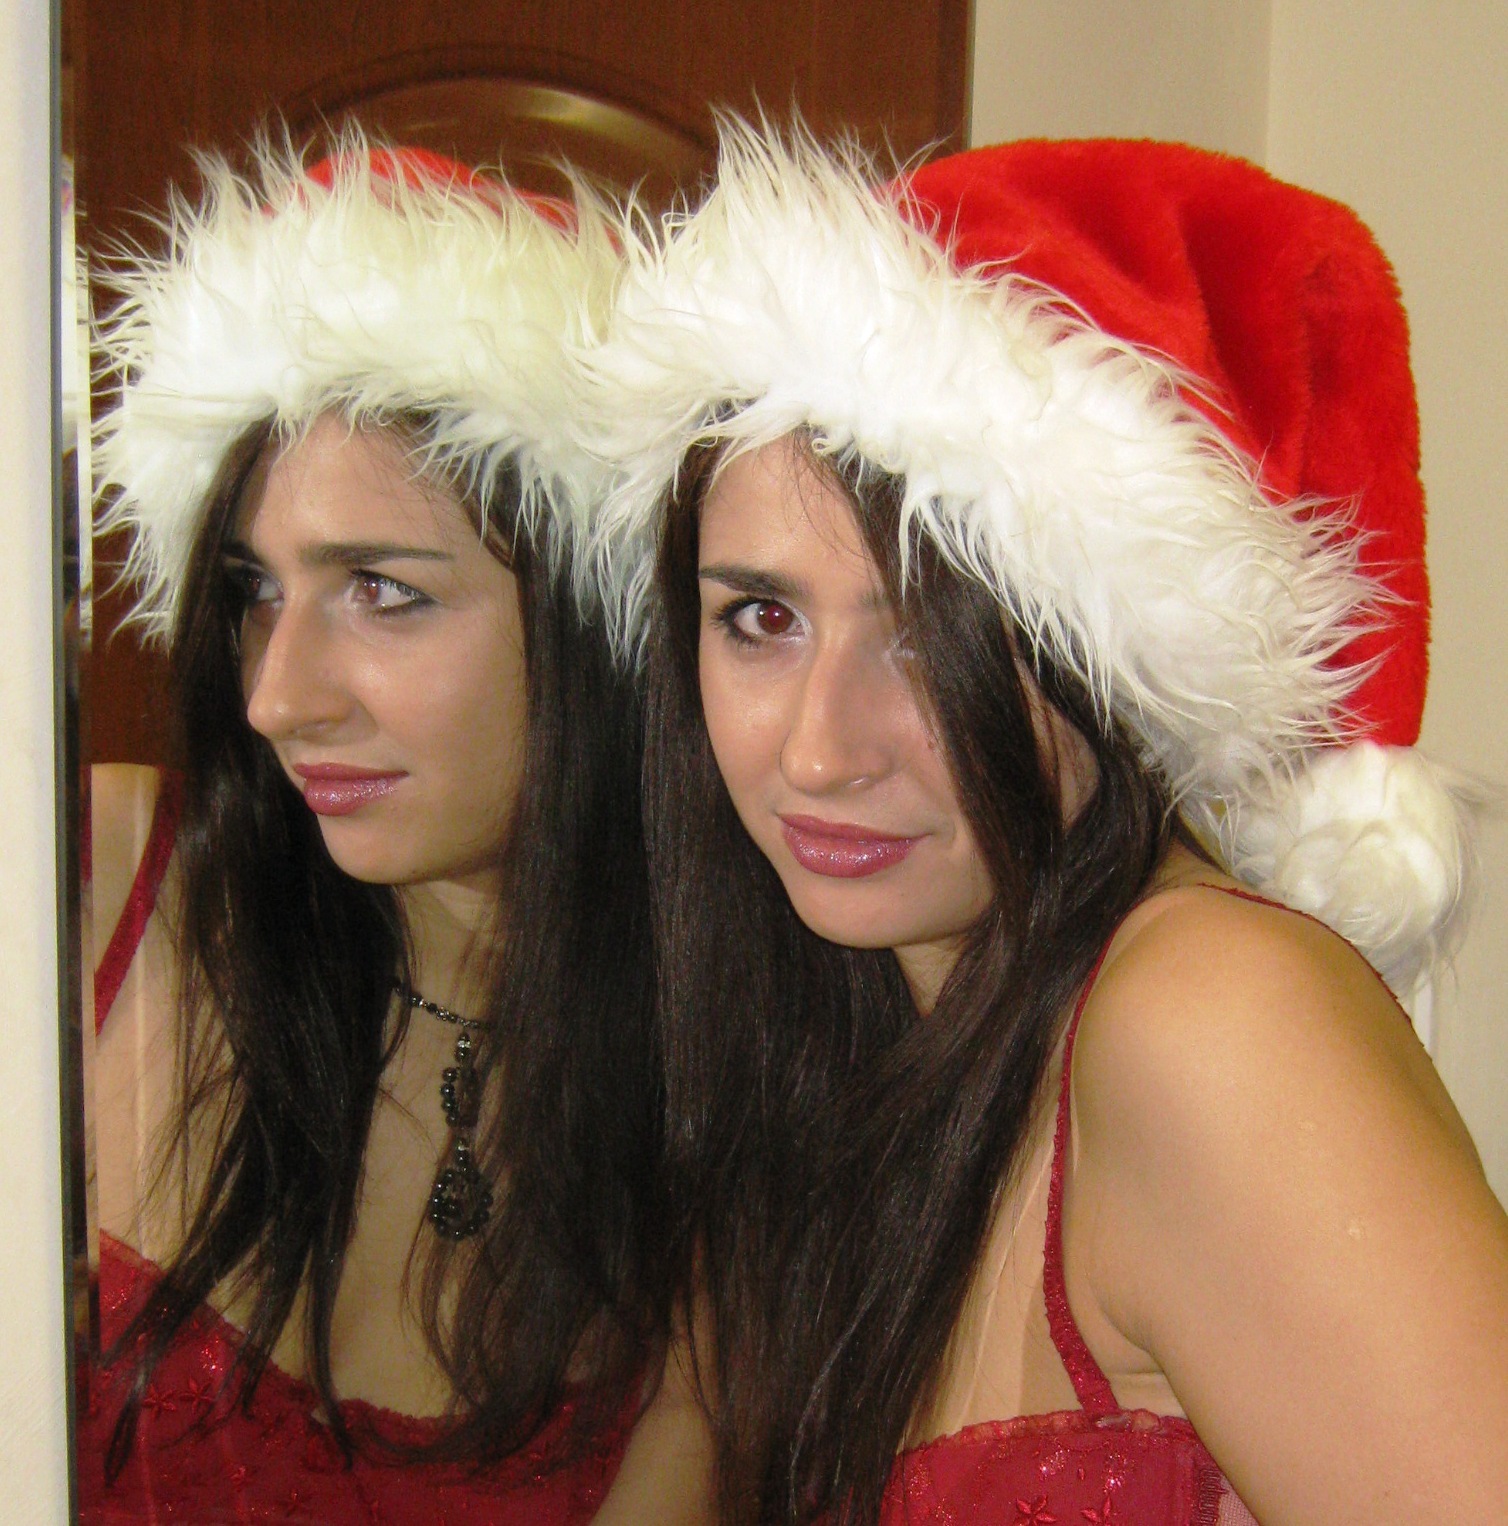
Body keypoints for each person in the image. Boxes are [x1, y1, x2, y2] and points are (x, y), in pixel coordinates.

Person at [579, 125, 1508, 1523]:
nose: (819, 751)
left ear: (1114, 662)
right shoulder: (848, 1064)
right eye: (760, 617)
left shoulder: (1210, 1020)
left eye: (927, 636)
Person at [82, 135, 682, 1523]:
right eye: (257, 592)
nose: (279, 697)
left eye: (384, 593)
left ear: (600, 623)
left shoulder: (737, 1062)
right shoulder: (99, 882)